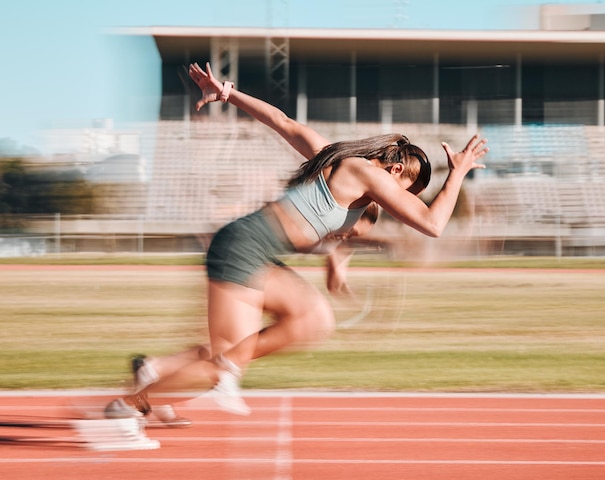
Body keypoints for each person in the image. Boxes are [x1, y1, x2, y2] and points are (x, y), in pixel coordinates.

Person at [104, 61, 488, 422]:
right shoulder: (365, 172)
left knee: (312, 319)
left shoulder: (345, 176)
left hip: (258, 252)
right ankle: (131, 405)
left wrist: (227, 93)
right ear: (396, 169)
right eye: (408, 190)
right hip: (244, 247)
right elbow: (432, 223)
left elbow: (281, 122)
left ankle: (166, 370)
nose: (403, 200)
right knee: (224, 359)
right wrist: (457, 172)